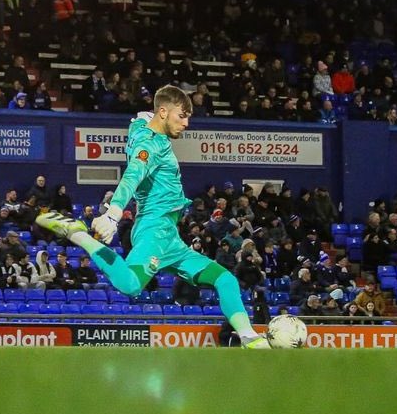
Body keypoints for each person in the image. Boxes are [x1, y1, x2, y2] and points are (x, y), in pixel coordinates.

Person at [36, 85, 270, 347]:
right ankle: (78, 235)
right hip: (153, 229)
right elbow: (133, 174)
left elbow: (141, 119)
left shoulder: (144, 128)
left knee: (225, 279)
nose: (186, 123)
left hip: (170, 236)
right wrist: (113, 214)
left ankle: (249, 336)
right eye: (181, 116)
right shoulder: (150, 145)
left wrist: (144, 117)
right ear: (162, 112)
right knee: (131, 285)